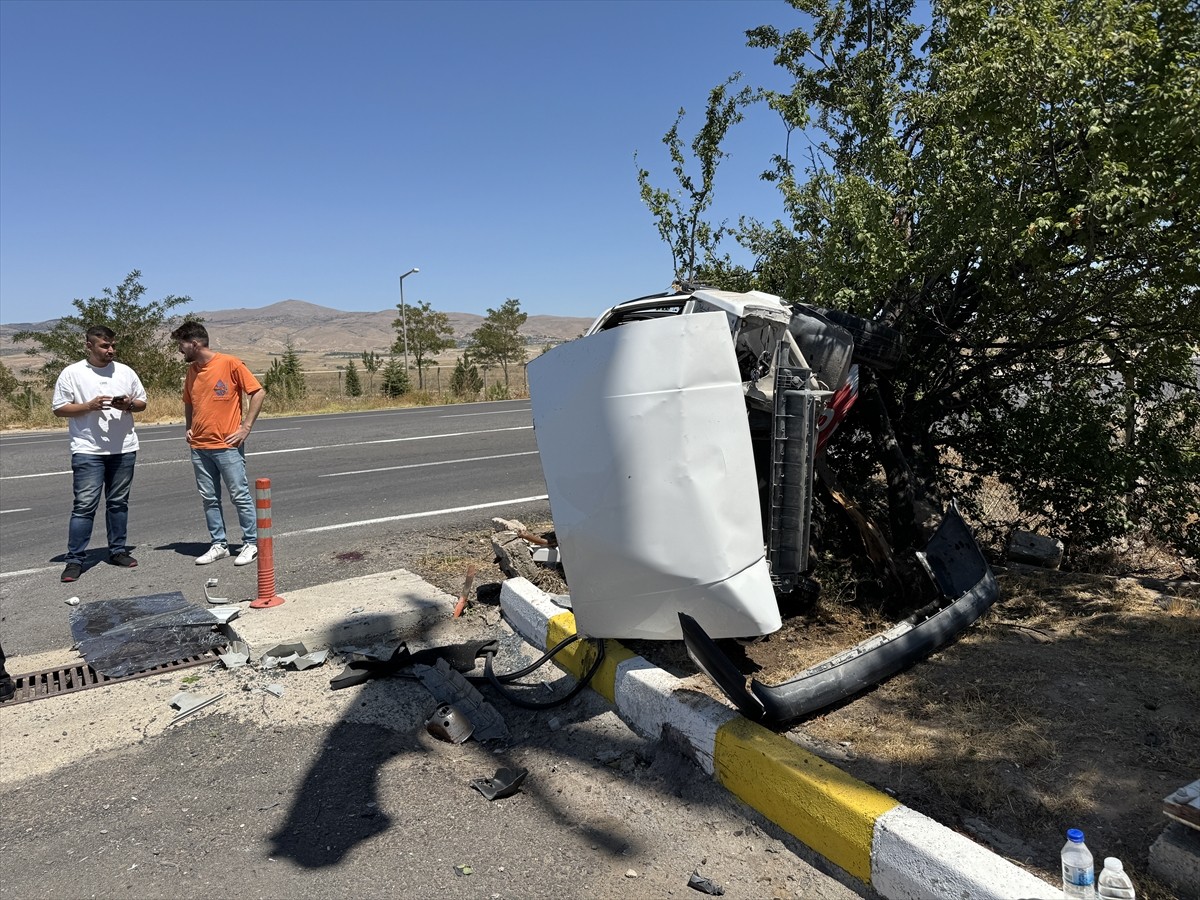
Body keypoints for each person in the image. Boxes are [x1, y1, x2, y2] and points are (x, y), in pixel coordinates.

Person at [52, 325, 148, 583]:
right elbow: (59, 408)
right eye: (105, 346)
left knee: (118, 503)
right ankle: (75, 559)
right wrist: (88, 406)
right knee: (84, 506)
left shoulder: (125, 371)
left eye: (113, 345)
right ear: (89, 346)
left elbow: (142, 403)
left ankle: (118, 551)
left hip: (123, 448)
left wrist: (128, 404)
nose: (110, 350)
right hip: (88, 449)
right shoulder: (72, 373)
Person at [170, 321, 265, 566]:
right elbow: (189, 401)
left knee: (239, 495)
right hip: (200, 447)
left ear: (194, 343)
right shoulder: (192, 371)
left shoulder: (230, 363)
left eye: (181, 344)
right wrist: (189, 426)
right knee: (209, 498)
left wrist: (245, 427)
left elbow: (258, 392)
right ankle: (219, 544)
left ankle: (251, 543)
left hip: (226, 445)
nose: (179, 350)